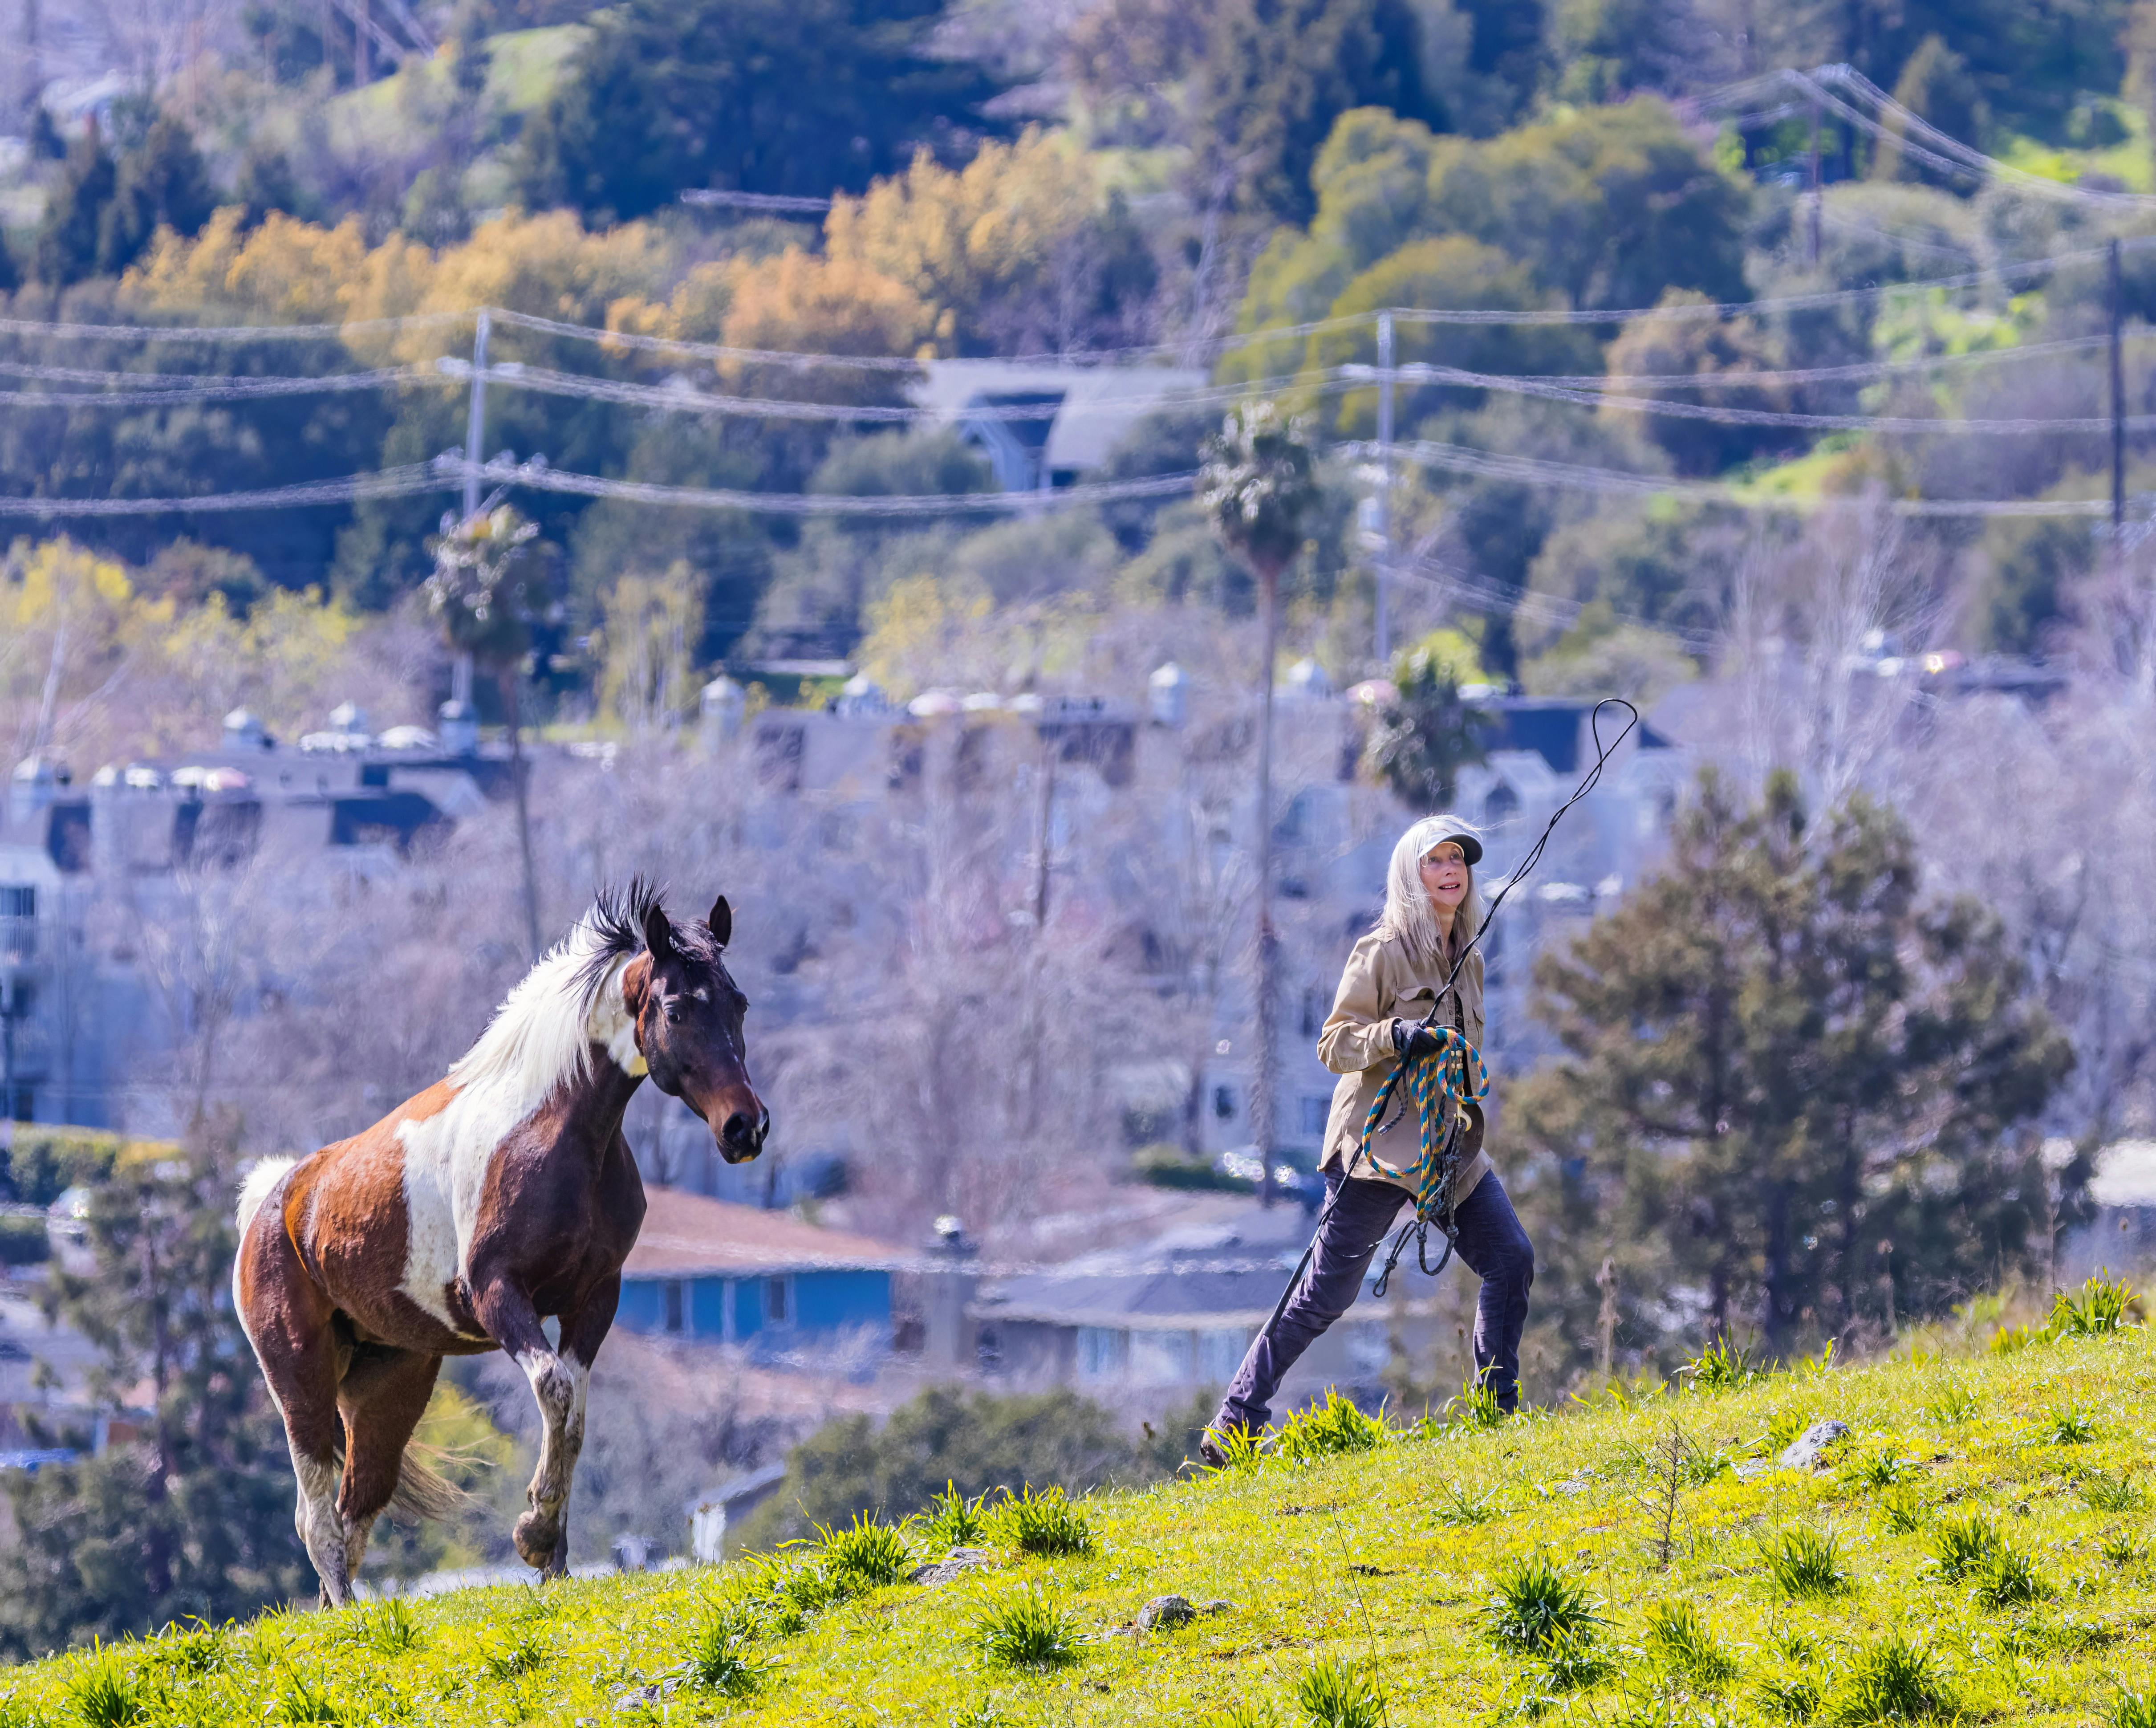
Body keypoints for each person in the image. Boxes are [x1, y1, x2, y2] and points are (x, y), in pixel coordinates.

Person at [1202, 813, 1535, 1460]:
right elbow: (1334, 1042)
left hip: (1445, 1148)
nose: (1450, 871)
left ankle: (1497, 1415)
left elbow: (1470, 1052)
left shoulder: (1471, 960)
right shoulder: (1380, 950)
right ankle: (1233, 1426)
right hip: (1376, 1151)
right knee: (1324, 1295)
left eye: (1458, 861)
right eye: (1435, 860)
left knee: (1510, 1257)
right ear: (1411, 875)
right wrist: (1395, 1037)